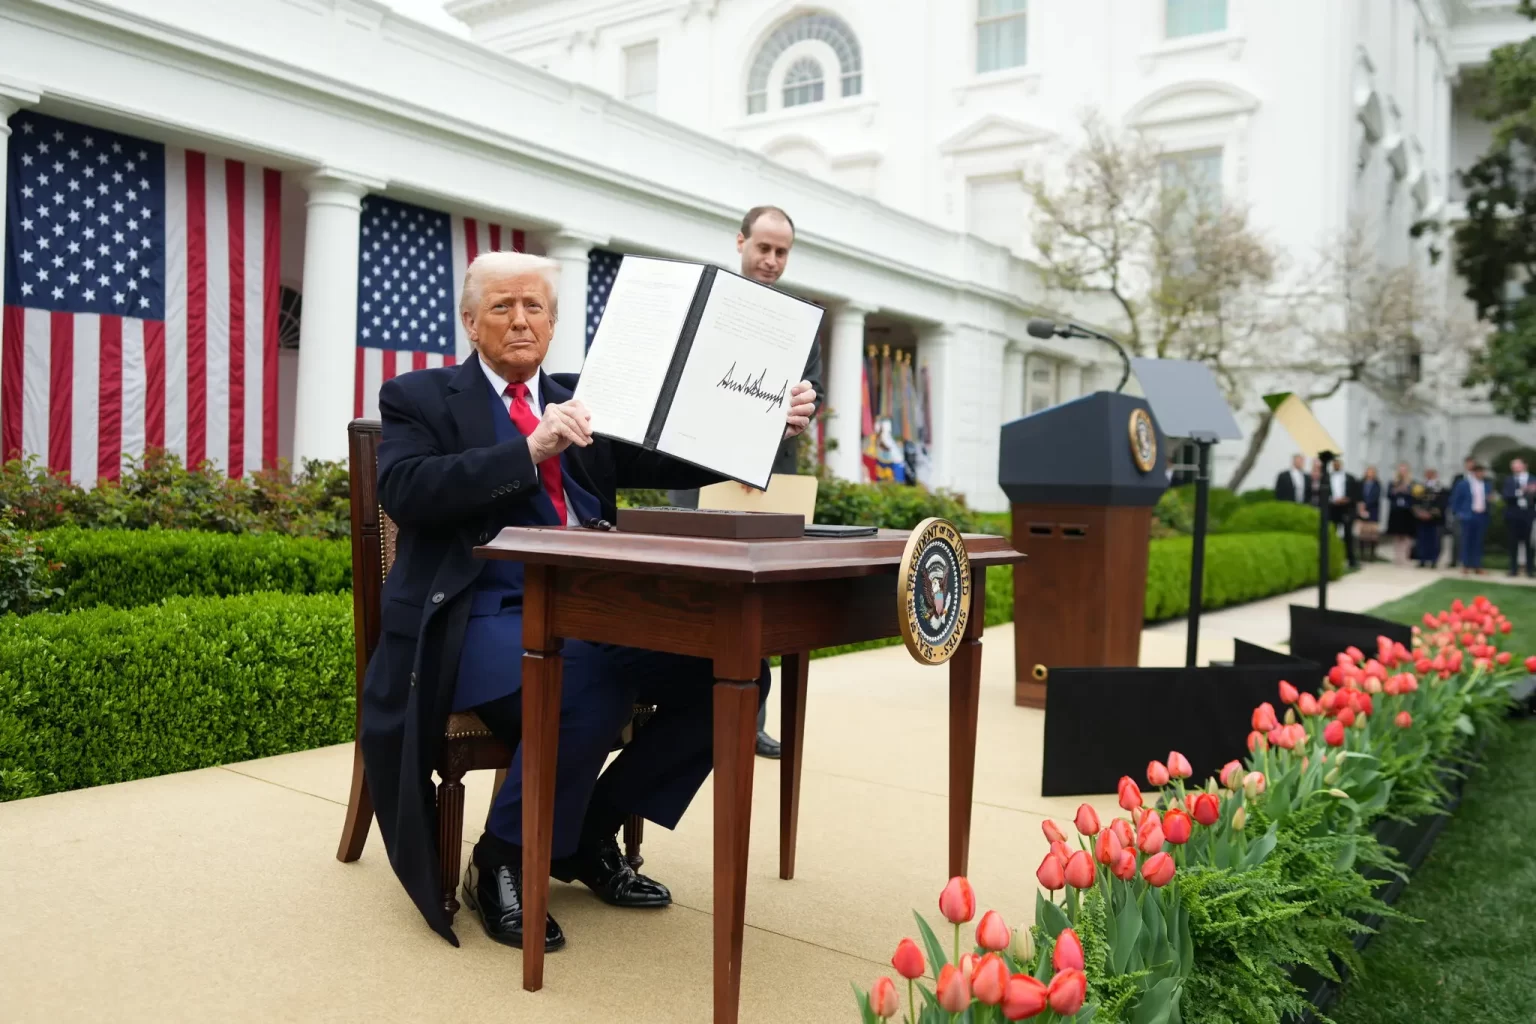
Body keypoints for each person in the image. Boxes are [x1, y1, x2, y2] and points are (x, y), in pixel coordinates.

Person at [361, 251, 817, 952]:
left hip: (599, 611)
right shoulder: (419, 397)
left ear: (553, 322)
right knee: (585, 682)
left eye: (534, 307)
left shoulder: (590, 397)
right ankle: (503, 858)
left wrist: (762, 421)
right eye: (503, 306)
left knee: (734, 673)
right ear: (471, 322)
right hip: (481, 616)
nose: (520, 320)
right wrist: (530, 450)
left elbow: (673, 452)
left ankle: (587, 831)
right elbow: (408, 491)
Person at [667, 205, 823, 761]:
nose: (772, 260)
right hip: (698, 474)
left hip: (769, 479)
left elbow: (814, 392)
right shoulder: (706, 303)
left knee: (760, 602)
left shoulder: (802, 320)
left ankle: (749, 723)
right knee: (694, 598)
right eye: (764, 248)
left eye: (782, 252)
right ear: (740, 242)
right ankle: (683, 718)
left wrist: (805, 406)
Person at [1450, 462, 1492, 575]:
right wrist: (1458, 513)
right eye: (1478, 472)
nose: (1480, 474)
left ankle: (1477, 565)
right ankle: (1465, 565)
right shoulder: (1464, 484)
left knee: (1478, 541)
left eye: (1482, 472)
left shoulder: (1486, 485)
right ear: (1473, 473)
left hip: (1481, 515)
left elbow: (1488, 499)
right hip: (1468, 515)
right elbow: (1456, 500)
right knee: (1466, 541)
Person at [1501, 457, 1536, 577]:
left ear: (1524, 465)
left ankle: (1530, 570)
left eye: (1517, 465)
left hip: (1528, 514)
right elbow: (1506, 495)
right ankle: (1513, 569)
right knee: (1513, 542)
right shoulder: (1509, 480)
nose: (1514, 467)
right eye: (1513, 465)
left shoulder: (1533, 479)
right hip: (1514, 514)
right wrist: (1521, 491)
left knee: (1529, 543)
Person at [1327, 457, 1362, 569]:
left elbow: (1356, 494)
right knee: (1332, 533)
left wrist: (1347, 499)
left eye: (1338, 464)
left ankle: (1351, 559)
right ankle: (1331, 558)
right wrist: (1332, 500)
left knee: (1348, 534)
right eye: (1334, 464)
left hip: (1346, 509)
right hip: (1333, 508)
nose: (1336, 465)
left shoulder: (1350, 478)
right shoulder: (1327, 477)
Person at [1412, 468, 1446, 568]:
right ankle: (1422, 559)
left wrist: (1431, 513)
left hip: (1434, 520)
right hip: (1421, 519)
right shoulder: (1420, 487)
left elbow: (1442, 504)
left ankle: (1433, 560)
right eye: (1427, 474)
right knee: (1422, 540)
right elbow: (1415, 501)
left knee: (1434, 541)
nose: (1429, 476)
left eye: (1431, 474)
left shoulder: (1440, 488)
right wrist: (1420, 513)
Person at [1384, 462, 1418, 564]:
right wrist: (1396, 490)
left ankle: (1405, 556)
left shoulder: (1412, 483)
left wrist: (1407, 490)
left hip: (1407, 511)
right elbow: (1388, 495)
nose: (1402, 472)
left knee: (1407, 535)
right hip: (1396, 511)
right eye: (1401, 470)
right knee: (1397, 535)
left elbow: (1415, 497)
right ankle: (1397, 557)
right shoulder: (1393, 483)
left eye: (1404, 470)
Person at [1447, 456, 1476, 568]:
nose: (1470, 465)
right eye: (1468, 463)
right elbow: (1453, 494)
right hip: (1460, 512)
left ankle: (1468, 561)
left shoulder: (1478, 478)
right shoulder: (1458, 478)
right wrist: (1454, 510)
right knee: (1457, 537)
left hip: (1474, 512)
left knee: (1471, 538)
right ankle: (1455, 560)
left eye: (1472, 463)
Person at [1357, 465, 1383, 561]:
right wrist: (1361, 506)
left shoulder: (1377, 484)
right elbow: (1358, 495)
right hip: (1362, 510)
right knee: (1362, 534)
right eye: (1368, 471)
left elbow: (1375, 497)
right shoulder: (1361, 483)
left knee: (1372, 534)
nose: (1370, 474)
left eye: (1372, 472)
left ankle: (1372, 554)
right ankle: (1362, 554)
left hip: (1373, 511)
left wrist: (1366, 505)